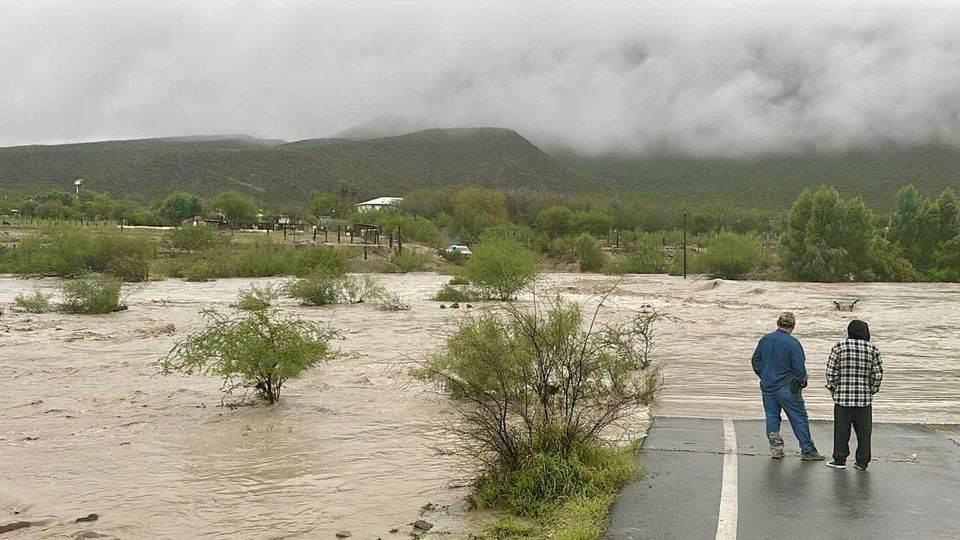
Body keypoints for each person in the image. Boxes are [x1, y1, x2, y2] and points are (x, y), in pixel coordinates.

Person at [751, 312, 825, 460]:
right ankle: (807, 450)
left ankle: (776, 449)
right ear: (792, 326)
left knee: (772, 417)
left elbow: (755, 361)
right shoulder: (793, 343)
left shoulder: (765, 339)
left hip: (768, 385)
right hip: (787, 386)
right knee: (798, 417)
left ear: (778, 323)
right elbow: (799, 368)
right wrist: (802, 381)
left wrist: (764, 374)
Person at [825, 319, 883, 471]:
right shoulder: (873, 349)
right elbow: (877, 375)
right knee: (864, 432)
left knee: (841, 430)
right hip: (864, 400)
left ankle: (839, 460)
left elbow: (831, 372)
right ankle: (862, 462)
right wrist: (871, 390)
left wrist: (833, 389)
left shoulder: (839, 346)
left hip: (842, 398)